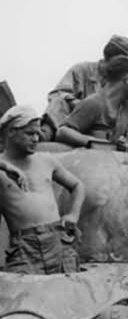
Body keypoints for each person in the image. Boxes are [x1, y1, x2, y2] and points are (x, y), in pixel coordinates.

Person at [0, 106, 85, 274]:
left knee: (68, 292)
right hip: (24, 248)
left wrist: (73, 214)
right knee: (25, 296)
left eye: (37, 133)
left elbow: (77, 186)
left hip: (58, 241)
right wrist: (3, 166)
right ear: (11, 132)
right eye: (29, 134)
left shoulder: (46, 161)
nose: (36, 139)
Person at [42, 34, 128, 140]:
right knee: (59, 102)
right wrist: (81, 105)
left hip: (106, 130)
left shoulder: (125, 87)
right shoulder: (81, 71)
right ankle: (44, 135)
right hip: (74, 119)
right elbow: (56, 95)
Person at [56, 55, 128, 151]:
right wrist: (91, 142)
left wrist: (126, 145)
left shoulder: (127, 109)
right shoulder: (94, 104)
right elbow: (62, 131)